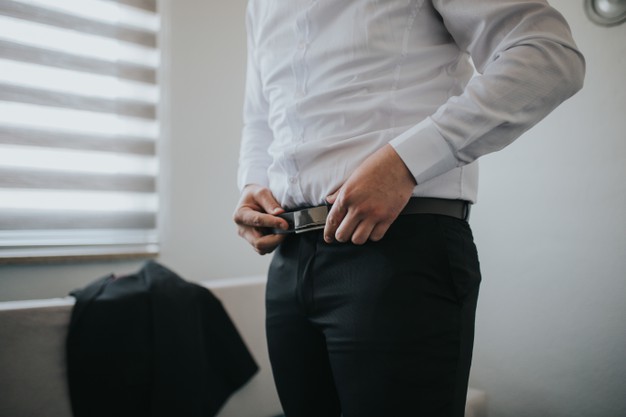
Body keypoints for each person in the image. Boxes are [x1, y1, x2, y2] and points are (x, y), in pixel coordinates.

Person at [234, 1, 584, 416]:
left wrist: (405, 162)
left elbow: (547, 53)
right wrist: (251, 183)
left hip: (397, 248)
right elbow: (259, 116)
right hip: (287, 259)